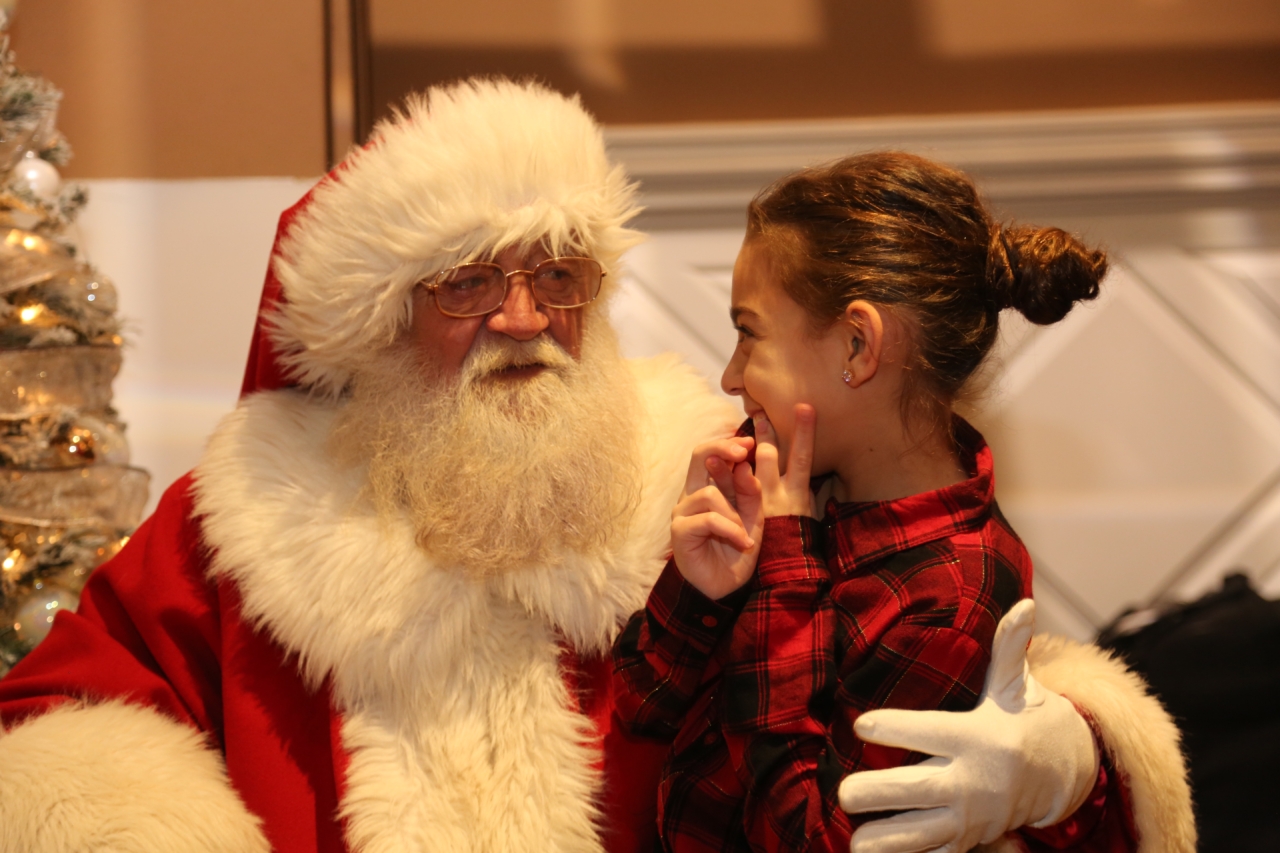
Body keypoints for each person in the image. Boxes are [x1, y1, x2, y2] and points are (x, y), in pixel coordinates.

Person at [0, 80, 1192, 853]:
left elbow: (962, 636)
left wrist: (1071, 766)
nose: (524, 319)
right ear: (377, 320)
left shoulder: (711, 471)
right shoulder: (248, 523)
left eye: (559, 274)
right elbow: (45, 737)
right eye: (468, 281)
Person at [612, 152, 1119, 853]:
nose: (730, 376)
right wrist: (700, 591)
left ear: (857, 345)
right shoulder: (790, 484)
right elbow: (638, 703)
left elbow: (810, 838)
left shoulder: (951, 599)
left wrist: (784, 574)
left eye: (749, 333)